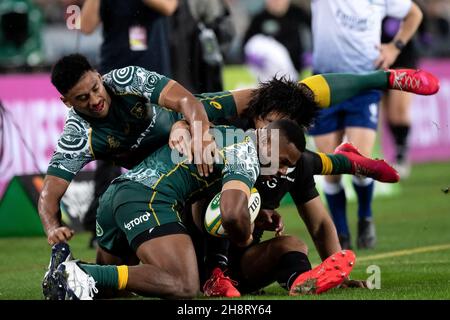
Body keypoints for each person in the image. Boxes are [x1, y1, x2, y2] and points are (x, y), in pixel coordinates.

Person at [43, 120, 353, 300]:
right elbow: (230, 214)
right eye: (282, 161)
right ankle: (74, 272)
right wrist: (244, 234)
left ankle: (68, 267)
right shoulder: (246, 154)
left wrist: (252, 216)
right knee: (183, 285)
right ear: (267, 142)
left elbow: (215, 202)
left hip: (118, 197)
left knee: (111, 290)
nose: (281, 171)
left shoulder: (229, 135)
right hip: (149, 198)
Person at [308, 0, 424, 250]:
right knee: (331, 169)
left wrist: (395, 47)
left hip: (364, 83)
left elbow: (415, 13)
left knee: (360, 163)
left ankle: (365, 216)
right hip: (325, 84)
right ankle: (341, 230)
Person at [80, 0, 179, 247]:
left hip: (153, 78)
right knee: (109, 152)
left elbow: (169, 6)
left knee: (161, 146)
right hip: (112, 78)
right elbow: (85, 26)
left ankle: (167, 216)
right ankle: (101, 226)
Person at [381, 10, 423, 178]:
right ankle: (398, 150)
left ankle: (402, 153)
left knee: (399, 110)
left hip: (404, 59)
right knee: (388, 114)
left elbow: (419, 18)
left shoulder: (405, 5)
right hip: (380, 60)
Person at [243, 0, 311, 82]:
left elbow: (314, 30)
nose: (276, 2)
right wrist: (250, 57)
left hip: (296, 67)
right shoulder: (259, 18)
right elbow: (246, 42)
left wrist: (311, 52)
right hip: (270, 72)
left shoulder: (297, 13)